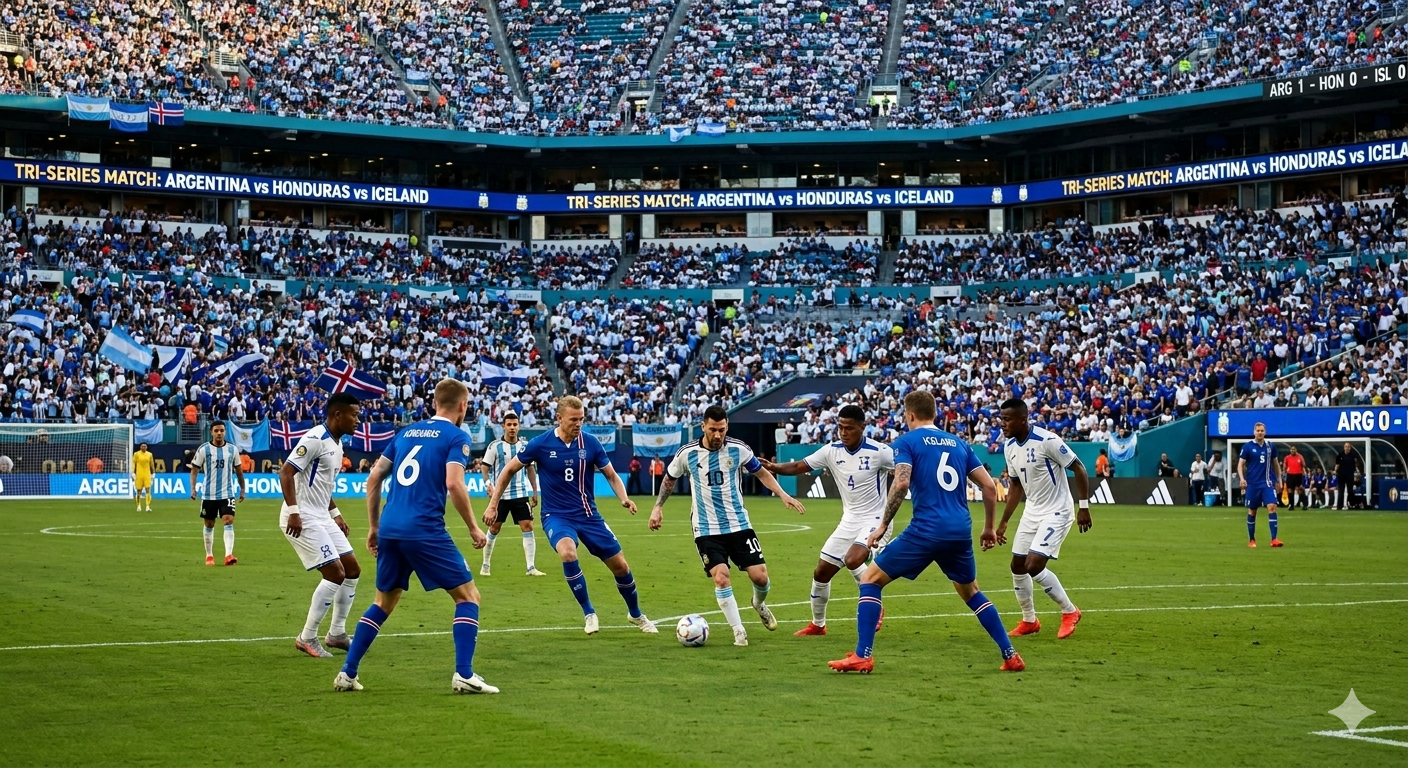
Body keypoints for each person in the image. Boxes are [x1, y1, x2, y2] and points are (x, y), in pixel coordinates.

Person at [829, 390, 1023, 674]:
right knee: (971, 592)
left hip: (926, 529)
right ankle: (1010, 654)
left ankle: (863, 655)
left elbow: (901, 483)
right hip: (959, 530)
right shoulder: (959, 443)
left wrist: (882, 525)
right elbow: (990, 487)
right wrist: (989, 528)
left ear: (909, 415)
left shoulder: (906, 442)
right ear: (934, 413)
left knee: (869, 579)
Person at [336, 379, 495, 695]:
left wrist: (374, 527)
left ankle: (347, 672)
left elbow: (374, 478)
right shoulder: (456, 436)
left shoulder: (406, 433)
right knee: (468, 597)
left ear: (434, 403)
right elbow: (454, 483)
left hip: (391, 528)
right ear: (463, 406)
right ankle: (464, 674)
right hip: (424, 529)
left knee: (383, 601)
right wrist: (473, 527)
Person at [485, 395, 657, 636]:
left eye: (581, 419)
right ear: (559, 418)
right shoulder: (540, 444)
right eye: (573, 420)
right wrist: (493, 505)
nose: (578, 424)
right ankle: (589, 613)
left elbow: (610, 474)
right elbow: (508, 471)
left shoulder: (591, 443)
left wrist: (623, 497)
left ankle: (636, 614)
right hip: (556, 515)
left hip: (588, 515)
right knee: (567, 552)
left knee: (620, 566)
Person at [652, 405, 806, 647]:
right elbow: (670, 479)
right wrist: (658, 507)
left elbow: (761, 473)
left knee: (761, 577)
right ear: (703, 426)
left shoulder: (739, 449)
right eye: (713, 429)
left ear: (727, 427)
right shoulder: (687, 453)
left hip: (738, 524)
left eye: (722, 430)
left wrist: (783, 494)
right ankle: (738, 631)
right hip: (706, 528)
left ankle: (758, 604)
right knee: (721, 577)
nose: (717, 435)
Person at [760, 404, 889, 636]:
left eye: (849, 428)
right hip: (849, 521)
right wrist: (773, 467)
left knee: (853, 559)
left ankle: (875, 604)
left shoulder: (880, 451)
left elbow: (907, 469)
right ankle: (818, 625)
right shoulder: (831, 451)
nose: (844, 432)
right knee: (821, 573)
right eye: (840, 427)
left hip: (875, 520)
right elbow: (799, 465)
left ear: (863, 427)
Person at [995, 398, 1091, 640]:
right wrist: (1004, 521)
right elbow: (1016, 486)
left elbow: (1079, 468)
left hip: (1057, 511)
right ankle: (1029, 620)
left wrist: (1084, 507)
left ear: (1022, 419)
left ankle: (1070, 611)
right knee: (1017, 566)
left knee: (1034, 565)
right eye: (1001, 419)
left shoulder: (1047, 441)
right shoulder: (1009, 446)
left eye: (1007, 419)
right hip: (1032, 511)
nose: (1002, 424)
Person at [279, 393, 364, 658]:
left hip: (322, 516)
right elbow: (286, 473)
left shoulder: (337, 444)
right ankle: (307, 637)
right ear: (338, 415)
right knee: (335, 573)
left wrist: (336, 514)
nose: (358, 420)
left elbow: (323, 486)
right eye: (354, 415)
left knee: (352, 569)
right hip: (302, 516)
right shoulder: (315, 439)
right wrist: (294, 512)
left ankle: (337, 633)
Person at [478, 412, 545, 577]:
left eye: (515, 424)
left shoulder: (525, 446)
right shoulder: (495, 446)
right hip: (500, 496)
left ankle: (531, 567)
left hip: (520, 494)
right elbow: (485, 468)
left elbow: (530, 468)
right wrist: (488, 484)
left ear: (519, 426)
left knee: (528, 526)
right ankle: (485, 565)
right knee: (494, 528)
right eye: (509, 424)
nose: (512, 428)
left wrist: (534, 491)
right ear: (503, 426)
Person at [189, 422, 245, 566]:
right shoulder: (204, 449)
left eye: (221, 430)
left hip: (227, 493)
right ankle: (209, 555)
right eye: (216, 431)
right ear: (211, 432)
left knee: (228, 520)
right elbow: (194, 470)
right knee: (209, 523)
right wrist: (193, 489)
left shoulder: (232, 449)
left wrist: (242, 489)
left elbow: (239, 470)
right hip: (209, 494)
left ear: (225, 432)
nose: (219, 433)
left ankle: (228, 555)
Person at [1237, 423, 1283, 548]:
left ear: (1265, 432)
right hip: (1253, 484)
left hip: (1267, 483)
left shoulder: (1270, 446)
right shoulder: (1247, 446)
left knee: (1272, 506)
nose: (1260, 433)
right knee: (1252, 511)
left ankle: (1274, 539)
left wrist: (1279, 479)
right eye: (1258, 430)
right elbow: (1240, 464)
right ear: (1254, 432)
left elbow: (1275, 464)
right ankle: (1252, 540)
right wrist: (1242, 479)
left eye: (1262, 430)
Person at [1333, 442, 1364, 510]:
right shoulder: (1340, 455)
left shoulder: (1353, 455)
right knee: (1341, 491)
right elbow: (1337, 464)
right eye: (1346, 446)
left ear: (1350, 448)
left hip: (1349, 475)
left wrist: (1358, 471)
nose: (1347, 448)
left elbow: (1356, 465)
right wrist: (1335, 470)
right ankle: (1339, 506)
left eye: (1348, 447)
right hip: (1341, 475)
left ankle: (1352, 504)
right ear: (1344, 447)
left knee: (1350, 491)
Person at [1282, 445, 1307, 510]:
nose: (1292, 450)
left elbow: (1304, 465)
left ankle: (1304, 504)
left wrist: (1303, 470)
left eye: (1294, 449)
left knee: (1300, 490)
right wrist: (1284, 471)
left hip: (1298, 474)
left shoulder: (1300, 456)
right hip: (1290, 475)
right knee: (1290, 490)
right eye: (1291, 449)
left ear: (1296, 450)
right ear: (1290, 450)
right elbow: (1284, 466)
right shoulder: (1287, 457)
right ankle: (1291, 505)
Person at [133, 442, 154, 512]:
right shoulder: (136, 454)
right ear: (140, 447)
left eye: (145, 446)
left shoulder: (149, 454)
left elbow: (151, 464)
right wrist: (133, 472)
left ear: (147, 447)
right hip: (139, 474)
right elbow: (133, 463)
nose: (144, 447)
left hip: (147, 474)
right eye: (142, 446)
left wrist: (153, 473)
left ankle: (147, 506)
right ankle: (138, 506)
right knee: (139, 491)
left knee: (148, 490)